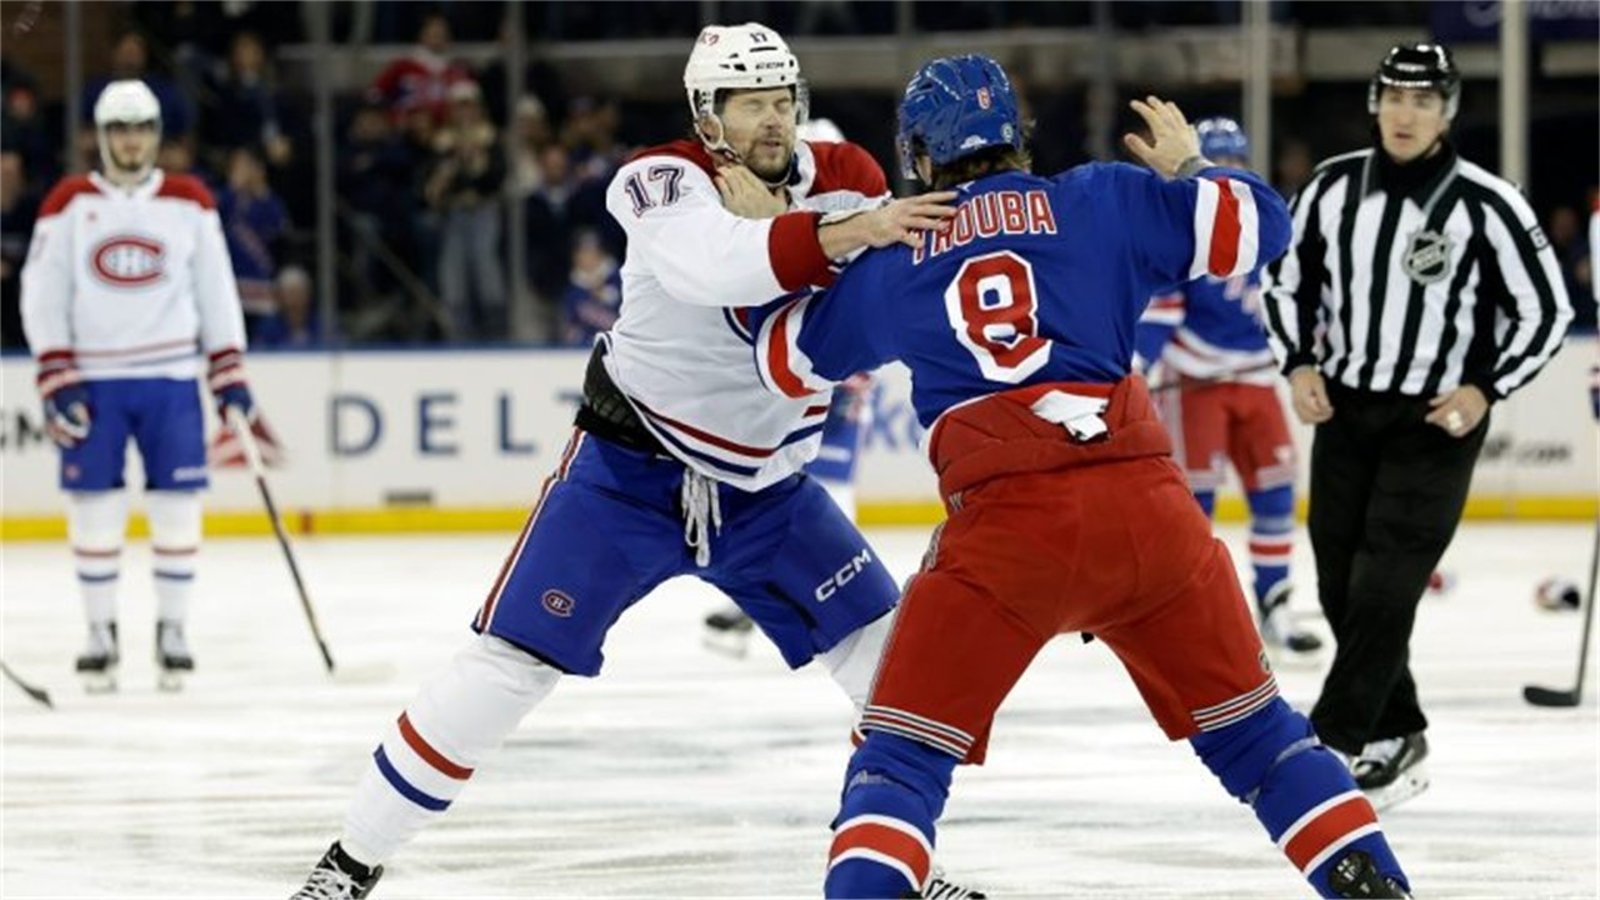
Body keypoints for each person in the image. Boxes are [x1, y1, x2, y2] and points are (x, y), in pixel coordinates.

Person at [290, 23, 971, 900]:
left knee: (893, 671)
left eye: (781, 100)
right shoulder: (656, 181)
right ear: (707, 112)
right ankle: (349, 862)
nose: (772, 121)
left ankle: (902, 863)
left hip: (767, 490)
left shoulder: (851, 180)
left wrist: (824, 226)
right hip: (625, 474)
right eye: (749, 103)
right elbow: (719, 267)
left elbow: (871, 287)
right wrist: (840, 233)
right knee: (506, 669)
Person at [751, 55, 1412, 898]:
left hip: (1005, 536)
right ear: (1018, 138)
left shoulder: (900, 249)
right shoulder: (1100, 195)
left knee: (901, 758)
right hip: (1148, 518)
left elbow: (787, 359)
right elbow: (1263, 229)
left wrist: (825, 236)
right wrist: (1192, 167)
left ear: (919, 154)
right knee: (1261, 742)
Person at [1260, 43, 1574, 810]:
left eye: (1425, 101)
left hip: (1435, 422)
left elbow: (1547, 311)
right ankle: (1398, 732)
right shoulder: (1332, 188)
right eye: (1395, 97)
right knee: (1338, 582)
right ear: (1375, 102)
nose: (1407, 114)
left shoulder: (1488, 202)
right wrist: (1299, 362)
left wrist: (1485, 389)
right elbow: (1283, 277)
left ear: (1448, 111)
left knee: (1386, 581)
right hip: (1346, 409)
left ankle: (1330, 742)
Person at [20, 80, 262, 692]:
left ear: (156, 135)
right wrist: (55, 368)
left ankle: (172, 631)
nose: (130, 140)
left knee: (177, 510)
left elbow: (216, 289)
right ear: (101, 138)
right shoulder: (69, 202)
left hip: (171, 375)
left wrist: (227, 367)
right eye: (120, 129)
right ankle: (99, 633)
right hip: (94, 379)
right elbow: (42, 291)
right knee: (95, 511)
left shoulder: (189, 199)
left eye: (141, 128)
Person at [1133, 116, 1322, 657]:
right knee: (1196, 510)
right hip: (1197, 383)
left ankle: (1276, 603)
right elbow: (1160, 316)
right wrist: (1141, 369)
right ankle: (1193, 614)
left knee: (1276, 495)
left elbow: (1298, 299)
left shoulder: (1268, 223)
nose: (1230, 170)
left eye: (1235, 159)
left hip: (1260, 378)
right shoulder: (1179, 230)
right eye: (1220, 159)